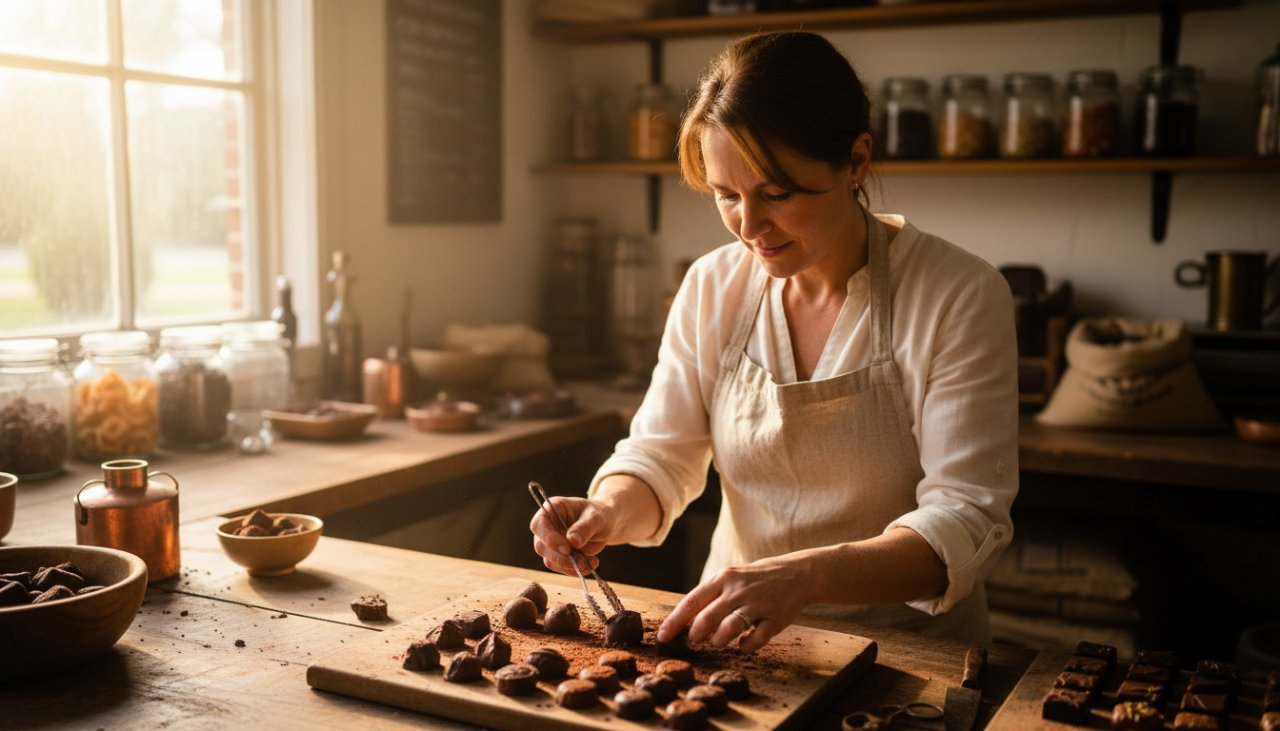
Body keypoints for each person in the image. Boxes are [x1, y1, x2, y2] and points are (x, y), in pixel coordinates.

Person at [530, 30, 1018, 651]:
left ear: (857, 160)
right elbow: (661, 457)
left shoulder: (959, 294)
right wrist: (608, 510)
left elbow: (966, 517)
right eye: (725, 196)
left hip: (909, 655)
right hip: (730, 645)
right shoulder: (712, 285)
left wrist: (806, 576)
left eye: (777, 194)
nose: (749, 227)